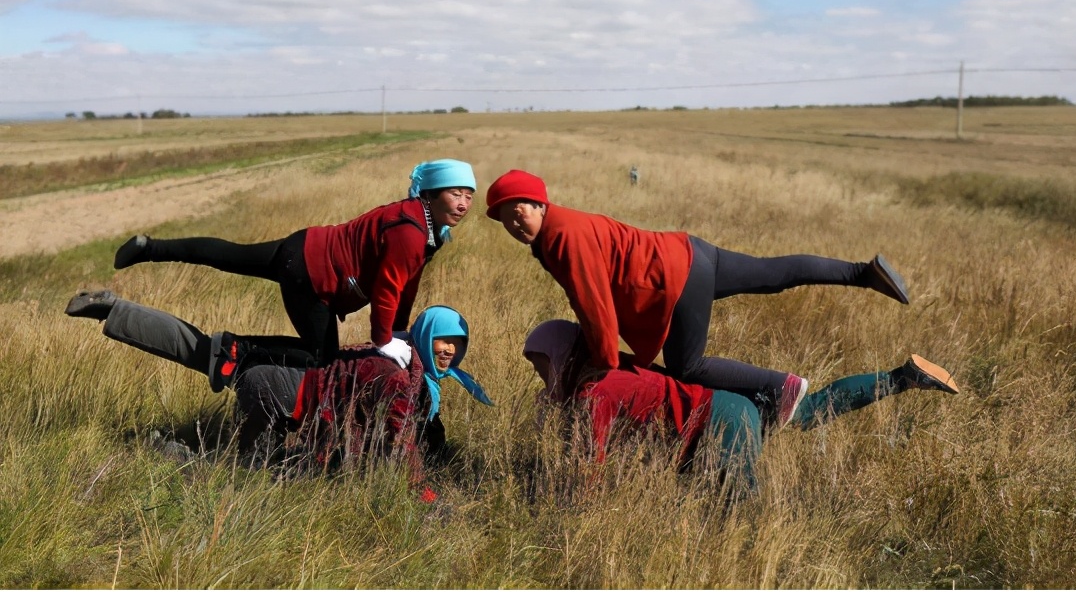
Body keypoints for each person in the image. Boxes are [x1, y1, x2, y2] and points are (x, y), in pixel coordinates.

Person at [485, 169, 912, 427]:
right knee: (771, 274)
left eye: (520, 209)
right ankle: (861, 272)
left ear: (540, 204)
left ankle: (780, 386)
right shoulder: (561, 229)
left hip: (673, 277)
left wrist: (604, 365)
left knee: (687, 366)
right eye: (506, 218)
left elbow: (593, 305)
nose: (516, 222)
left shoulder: (564, 236)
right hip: (690, 252)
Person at [64, 289, 493, 498]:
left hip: (284, 376)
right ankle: (170, 450)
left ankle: (116, 309)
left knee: (197, 352)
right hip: (271, 389)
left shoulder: (402, 353)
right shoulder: (399, 376)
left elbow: (411, 430)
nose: (450, 350)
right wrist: (423, 492)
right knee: (244, 477)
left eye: (458, 343)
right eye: (444, 340)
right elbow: (400, 437)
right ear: (426, 335)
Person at [113, 159, 477, 364]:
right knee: (322, 359)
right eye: (455, 193)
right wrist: (383, 340)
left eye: (468, 196)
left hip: (304, 246)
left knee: (229, 255)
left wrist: (399, 330)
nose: (463, 203)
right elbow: (389, 286)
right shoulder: (411, 230)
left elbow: (407, 283)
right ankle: (236, 349)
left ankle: (151, 248)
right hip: (312, 275)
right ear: (430, 195)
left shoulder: (429, 230)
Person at [522, 319, 958, 487]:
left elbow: (589, 468)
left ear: (564, 356)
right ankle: (902, 378)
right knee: (811, 411)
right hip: (728, 405)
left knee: (736, 512)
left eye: (543, 364)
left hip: (720, 422)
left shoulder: (593, 394)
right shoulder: (615, 365)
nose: (543, 374)